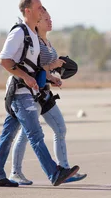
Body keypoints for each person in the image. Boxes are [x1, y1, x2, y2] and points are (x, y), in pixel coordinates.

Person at [0, 0, 79, 187]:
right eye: (39, 8)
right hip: (19, 93)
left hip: (27, 92)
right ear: (27, 11)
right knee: (35, 135)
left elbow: (35, 68)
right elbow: (4, 60)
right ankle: (54, 173)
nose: (42, 10)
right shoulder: (20, 32)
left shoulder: (33, 37)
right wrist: (26, 77)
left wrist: (51, 78)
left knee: (8, 135)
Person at [9, 10, 87, 185]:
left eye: (50, 18)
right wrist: (53, 65)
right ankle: (15, 172)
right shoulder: (35, 43)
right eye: (46, 19)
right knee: (25, 134)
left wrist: (53, 77)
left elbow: (45, 71)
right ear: (37, 22)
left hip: (45, 93)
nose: (50, 21)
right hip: (32, 94)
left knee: (60, 128)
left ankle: (65, 170)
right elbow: (34, 69)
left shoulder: (47, 42)